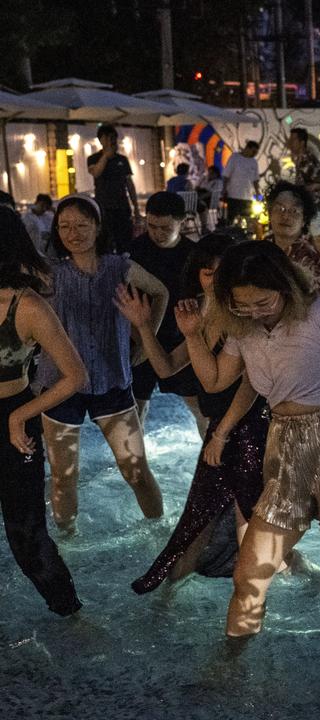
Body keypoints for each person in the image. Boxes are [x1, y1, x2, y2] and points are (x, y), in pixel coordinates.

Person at [186, 240, 320, 640]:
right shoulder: (242, 328)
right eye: (242, 304)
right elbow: (224, 379)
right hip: (284, 446)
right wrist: (193, 337)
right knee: (248, 577)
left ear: (285, 288)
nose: (253, 312)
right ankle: (232, 674)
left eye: (263, 303)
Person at [116, 234, 272, 594]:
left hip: (250, 430)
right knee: (206, 517)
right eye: (207, 272)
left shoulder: (244, 315)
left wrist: (221, 434)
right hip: (221, 429)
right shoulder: (199, 311)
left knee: (244, 517)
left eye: (223, 272)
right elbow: (168, 367)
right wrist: (142, 324)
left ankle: (252, 601)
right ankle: (175, 596)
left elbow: (236, 384)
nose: (215, 280)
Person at [39, 196, 167, 533]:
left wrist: (144, 342)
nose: (73, 232)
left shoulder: (118, 267)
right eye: (64, 226)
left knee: (136, 471)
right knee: (64, 479)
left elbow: (160, 292)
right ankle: (69, 544)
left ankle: (160, 535)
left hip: (112, 381)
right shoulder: (51, 273)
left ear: (97, 227)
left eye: (82, 224)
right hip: (60, 387)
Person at [0, 207, 85, 616]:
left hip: (13, 421)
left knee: (27, 537)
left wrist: (19, 416)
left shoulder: (27, 305)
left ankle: (69, 611)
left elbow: (74, 375)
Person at [126, 191, 203, 431]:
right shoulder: (135, 251)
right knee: (136, 407)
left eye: (165, 228)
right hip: (141, 337)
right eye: (152, 226)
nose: (157, 234)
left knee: (198, 405)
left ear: (181, 221)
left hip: (179, 339)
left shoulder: (194, 255)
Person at [262, 181, 320, 298]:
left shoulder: (310, 257)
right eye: (280, 209)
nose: (286, 216)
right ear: (269, 214)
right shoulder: (261, 247)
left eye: (294, 211)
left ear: (304, 220)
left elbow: (315, 300)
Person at [86, 124, 140, 253]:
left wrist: (136, 207)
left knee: (125, 241)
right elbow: (96, 173)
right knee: (106, 241)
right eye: (108, 137)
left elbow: (129, 184)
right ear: (101, 140)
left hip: (122, 205)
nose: (112, 140)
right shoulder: (93, 158)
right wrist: (105, 156)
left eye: (114, 137)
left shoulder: (122, 159)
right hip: (104, 206)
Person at [286, 128, 320, 234]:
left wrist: (304, 189)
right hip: (312, 212)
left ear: (302, 143)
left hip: (318, 212)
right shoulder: (300, 160)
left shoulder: (308, 160)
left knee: (318, 245)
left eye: (293, 140)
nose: (290, 143)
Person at [222, 141, 261, 223]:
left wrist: (258, 193)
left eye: (256, 152)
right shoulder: (235, 157)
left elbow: (255, 180)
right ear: (247, 148)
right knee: (231, 220)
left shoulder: (253, 162)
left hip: (248, 197)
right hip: (233, 195)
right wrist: (224, 189)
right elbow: (226, 175)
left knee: (247, 220)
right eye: (253, 151)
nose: (254, 154)